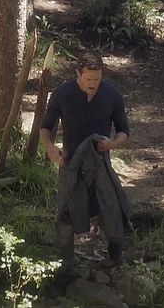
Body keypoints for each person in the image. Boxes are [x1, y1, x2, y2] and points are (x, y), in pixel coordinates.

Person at [40, 53, 132, 270]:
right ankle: (66, 265)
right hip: (70, 162)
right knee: (65, 212)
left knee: (110, 208)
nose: (93, 83)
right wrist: (51, 148)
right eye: (89, 79)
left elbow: (124, 130)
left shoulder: (112, 95)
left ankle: (115, 259)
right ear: (78, 74)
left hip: (100, 162)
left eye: (97, 79)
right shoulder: (63, 93)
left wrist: (112, 144)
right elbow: (45, 127)